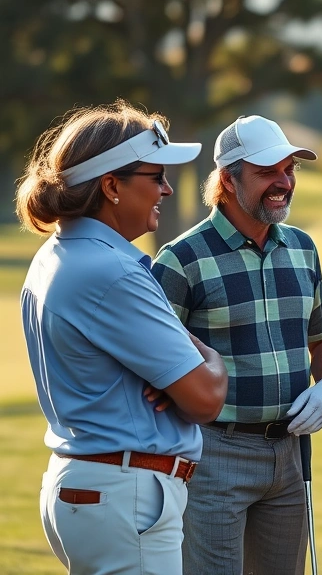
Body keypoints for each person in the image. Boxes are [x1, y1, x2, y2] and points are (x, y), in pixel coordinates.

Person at [16, 100, 228, 574]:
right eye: (156, 177)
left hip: (95, 487)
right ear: (111, 185)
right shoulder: (111, 270)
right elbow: (205, 398)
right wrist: (207, 353)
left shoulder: (58, 254)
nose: (167, 190)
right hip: (125, 491)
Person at [151, 115, 322, 574]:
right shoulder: (181, 260)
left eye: (289, 170)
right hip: (215, 454)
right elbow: (152, 367)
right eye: (267, 172)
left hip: (291, 454)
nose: (283, 183)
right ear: (227, 179)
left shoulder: (302, 248)